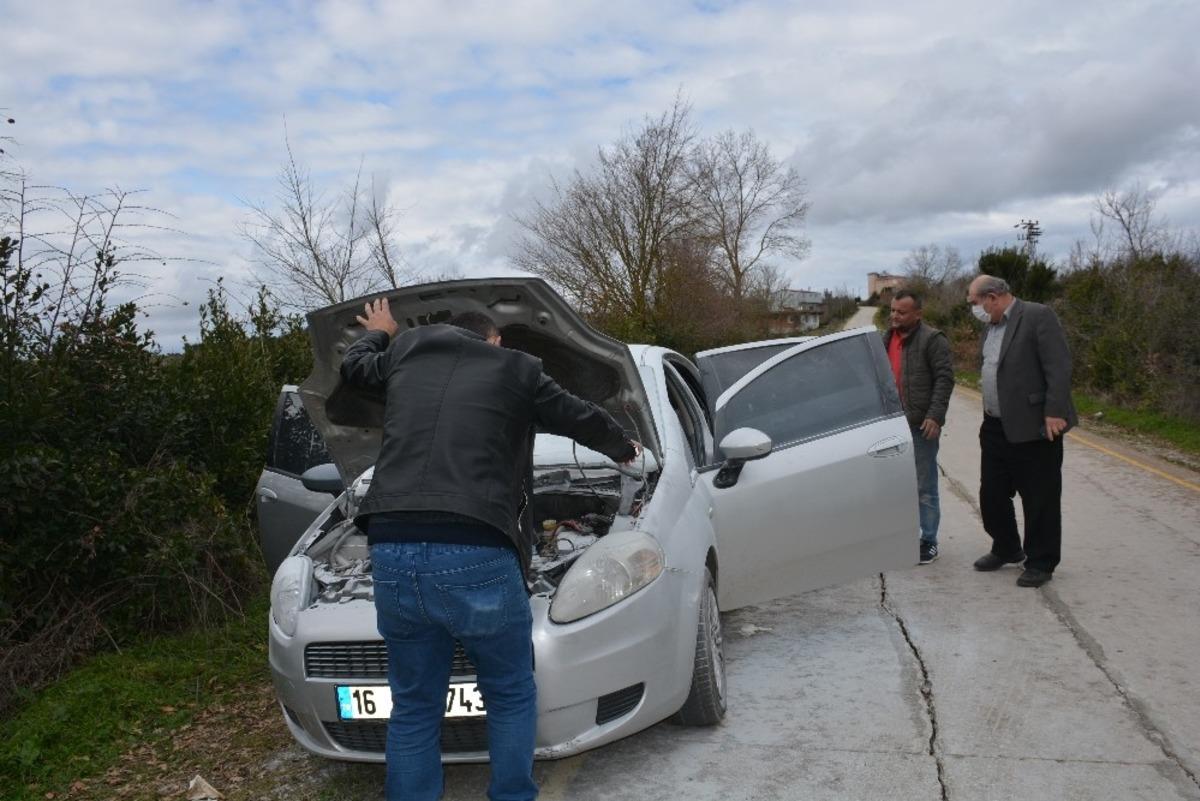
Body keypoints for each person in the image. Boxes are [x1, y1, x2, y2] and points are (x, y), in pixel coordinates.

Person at [340, 299, 639, 801]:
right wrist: (624, 449)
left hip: (391, 545)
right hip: (474, 546)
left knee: (414, 705)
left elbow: (353, 369)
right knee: (508, 691)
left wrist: (382, 331)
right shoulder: (516, 368)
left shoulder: (405, 353)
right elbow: (578, 416)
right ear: (494, 340)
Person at [966, 275, 1077, 588]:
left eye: (975, 303)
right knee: (992, 494)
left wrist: (1054, 411)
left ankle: (1041, 561)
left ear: (993, 297)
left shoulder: (1038, 316)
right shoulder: (990, 327)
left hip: (1035, 425)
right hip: (995, 426)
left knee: (1039, 497)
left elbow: (1059, 366)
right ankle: (1007, 547)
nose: (974, 309)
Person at [882, 290, 955, 565]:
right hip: (889, 426)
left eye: (901, 312)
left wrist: (935, 416)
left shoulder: (932, 340)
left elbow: (945, 379)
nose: (894, 316)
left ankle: (928, 541)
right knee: (894, 486)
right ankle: (900, 537)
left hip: (919, 426)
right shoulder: (885, 338)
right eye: (892, 310)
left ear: (918, 314)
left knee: (924, 487)